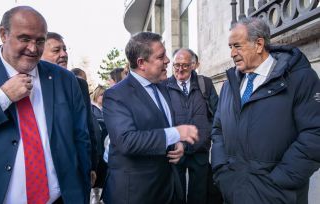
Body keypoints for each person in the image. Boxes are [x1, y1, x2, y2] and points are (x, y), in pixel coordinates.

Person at [0, 6, 91, 204]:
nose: (33, 48)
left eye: (40, 40)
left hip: (58, 199)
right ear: (3, 34)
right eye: (25, 39)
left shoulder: (65, 79)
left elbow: (81, 137)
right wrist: (2, 96)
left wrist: (83, 187)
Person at [211, 17, 320, 204]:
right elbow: (218, 128)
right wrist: (222, 169)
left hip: (278, 194)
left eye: (237, 46)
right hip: (234, 190)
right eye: (230, 47)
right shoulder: (230, 84)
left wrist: (281, 180)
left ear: (259, 44)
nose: (232, 53)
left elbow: (315, 132)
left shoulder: (299, 78)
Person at [102, 31, 199, 204]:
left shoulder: (163, 87)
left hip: (169, 189)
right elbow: (127, 141)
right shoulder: (116, 96)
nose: (168, 61)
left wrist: (178, 144)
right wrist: (176, 134)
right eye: (161, 57)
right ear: (141, 63)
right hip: (137, 194)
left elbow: (165, 125)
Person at [41, 32, 98, 199]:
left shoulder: (78, 84)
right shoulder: (28, 83)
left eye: (65, 49)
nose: (63, 54)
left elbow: (87, 126)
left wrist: (91, 165)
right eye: (56, 50)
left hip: (72, 172)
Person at [165, 48, 219, 204]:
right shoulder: (165, 86)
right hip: (175, 151)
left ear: (194, 65)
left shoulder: (205, 84)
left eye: (185, 65)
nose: (180, 69)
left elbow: (217, 114)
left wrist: (208, 136)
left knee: (199, 196)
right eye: (176, 65)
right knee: (177, 195)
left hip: (200, 150)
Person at [90, 85, 108, 204]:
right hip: (97, 148)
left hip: (105, 148)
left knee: (102, 177)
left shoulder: (105, 109)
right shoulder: (91, 109)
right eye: (102, 94)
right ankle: (94, 199)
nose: (103, 97)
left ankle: (98, 199)